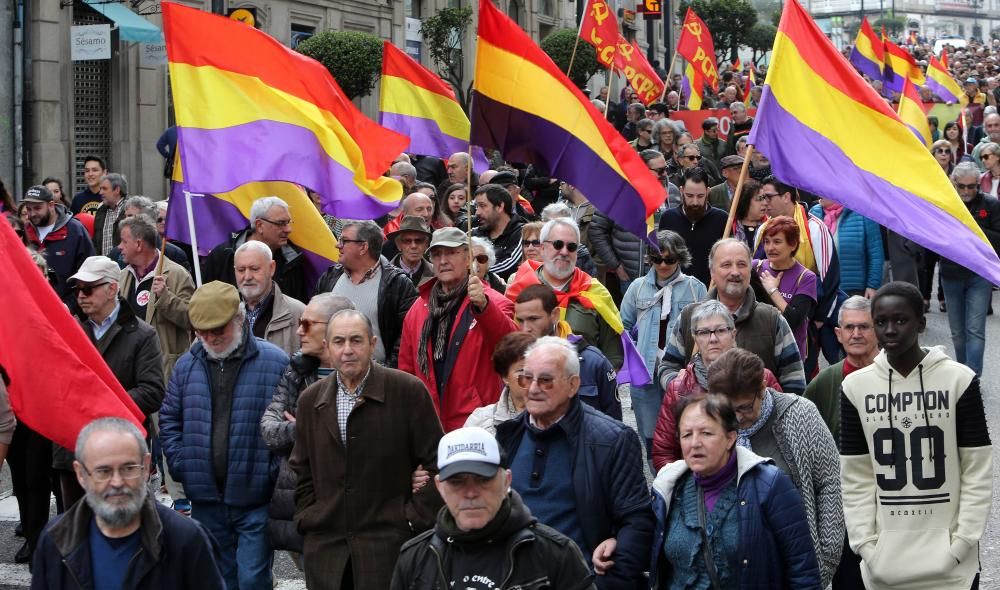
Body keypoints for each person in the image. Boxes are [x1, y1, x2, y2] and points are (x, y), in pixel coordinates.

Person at [841, 282, 993, 590]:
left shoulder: (960, 381)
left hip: (953, 569)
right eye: (881, 322)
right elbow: (856, 474)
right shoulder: (855, 387)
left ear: (921, 323)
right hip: (886, 566)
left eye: (901, 320)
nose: (890, 330)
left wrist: (962, 542)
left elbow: (976, 469)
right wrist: (867, 546)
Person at [289, 309, 445, 590]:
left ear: (373, 344)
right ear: (327, 347)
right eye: (339, 341)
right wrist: (309, 518)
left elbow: (439, 464)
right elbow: (302, 469)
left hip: (388, 551)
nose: (347, 350)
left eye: (356, 340)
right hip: (327, 552)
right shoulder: (310, 400)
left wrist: (411, 520)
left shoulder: (407, 391)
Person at [160, 281, 289, 590]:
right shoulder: (186, 366)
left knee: (252, 580)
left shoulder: (275, 363)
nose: (210, 338)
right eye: (202, 331)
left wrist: (270, 474)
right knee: (218, 580)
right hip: (205, 497)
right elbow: (170, 419)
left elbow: (289, 427)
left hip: (254, 497)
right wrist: (183, 465)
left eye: (218, 329)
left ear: (240, 319)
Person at [496, 337, 653, 589]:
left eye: (545, 380)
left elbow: (637, 524)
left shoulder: (613, 440)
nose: (533, 388)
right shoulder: (507, 435)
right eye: (526, 378)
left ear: (573, 385)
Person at [649, 394, 822, 589]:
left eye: (706, 433)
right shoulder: (668, 487)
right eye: (686, 434)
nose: (695, 443)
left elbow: (803, 570)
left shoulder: (770, 485)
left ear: (730, 438)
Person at [31, 418, 226, 589]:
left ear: (146, 467)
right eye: (103, 471)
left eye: (128, 468)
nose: (117, 482)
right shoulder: (55, 540)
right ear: (81, 474)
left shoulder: (186, 539)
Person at [391, 427, 596, 590]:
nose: (470, 493)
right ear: (439, 487)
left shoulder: (554, 555)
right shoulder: (415, 558)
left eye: (482, 479)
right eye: (457, 482)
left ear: (506, 481)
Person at [707, 348, 844, 586]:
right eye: (730, 410)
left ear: (762, 388)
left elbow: (830, 482)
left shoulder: (800, 413)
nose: (737, 418)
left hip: (800, 566)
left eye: (745, 408)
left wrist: (827, 555)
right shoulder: (711, 425)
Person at [56, 256, 165, 510]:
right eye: (77, 289)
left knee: (123, 527)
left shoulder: (142, 335)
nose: (80, 295)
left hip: (121, 452)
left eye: (88, 288)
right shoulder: (71, 332)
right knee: (76, 533)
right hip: (75, 450)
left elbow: (153, 392)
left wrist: (101, 405)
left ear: (112, 289)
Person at [260, 294, 355, 557]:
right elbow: (269, 431)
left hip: (345, 502)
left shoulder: (360, 374)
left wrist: (307, 425)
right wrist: (303, 428)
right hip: (299, 498)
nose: (299, 330)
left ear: (334, 327)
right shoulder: (297, 370)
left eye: (308, 324)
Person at [398, 227, 518, 431]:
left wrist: (484, 308)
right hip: (429, 422)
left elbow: (511, 349)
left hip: (477, 423)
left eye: (451, 252)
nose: (443, 260)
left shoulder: (494, 302)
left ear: (468, 257)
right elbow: (407, 369)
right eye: (437, 254)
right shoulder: (418, 308)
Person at [658, 238, 806, 394]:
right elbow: (667, 367)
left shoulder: (771, 320)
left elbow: (795, 381)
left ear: (750, 271)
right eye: (726, 265)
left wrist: (766, 406)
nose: (735, 272)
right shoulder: (689, 317)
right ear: (712, 273)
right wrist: (678, 385)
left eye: (741, 265)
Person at [651, 300, 784, 471]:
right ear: (695, 337)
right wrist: (687, 486)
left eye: (720, 330)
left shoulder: (761, 377)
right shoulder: (678, 389)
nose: (713, 339)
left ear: (733, 334)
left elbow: (783, 433)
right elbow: (663, 451)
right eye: (704, 332)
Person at [620, 230, 706, 456]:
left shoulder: (695, 288)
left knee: (684, 430)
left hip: (681, 373)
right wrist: (633, 358)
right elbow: (623, 326)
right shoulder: (637, 287)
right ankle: (659, 481)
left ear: (680, 258)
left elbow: (704, 328)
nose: (663, 265)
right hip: (645, 374)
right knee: (650, 435)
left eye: (669, 259)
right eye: (657, 259)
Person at [507, 218, 625, 369]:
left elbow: (613, 358)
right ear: (542, 248)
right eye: (557, 244)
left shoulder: (596, 292)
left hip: (584, 387)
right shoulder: (519, 287)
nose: (564, 252)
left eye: (571, 247)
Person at [315, 220, 418, 367]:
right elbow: (315, 323)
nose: (337, 245)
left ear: (363, 247)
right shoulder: (329, 277)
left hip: (377, 380)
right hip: (331, 376)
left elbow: (407, 335)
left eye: (344, 241)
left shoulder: (398, 283)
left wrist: (387, 372)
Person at [513, 284, 621, 419]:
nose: (526, 329)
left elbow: (614, 426)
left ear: (555, 315)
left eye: (533, 319)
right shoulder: (515, 363)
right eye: (520, 321)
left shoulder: (593, 361)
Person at [940, 162, 1000, 376]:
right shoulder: (945, 204)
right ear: (954, 184)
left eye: (971, 186)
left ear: (978, 185)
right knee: (957, 332)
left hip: (979, 275)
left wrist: (973, 228)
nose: (966, 191)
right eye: (962, 186)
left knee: (975, 329)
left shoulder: (991, 204)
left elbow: (998, 239)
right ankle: (962, 375)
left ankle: (972, 377)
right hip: (950, 273)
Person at [117, 215, 194, 380]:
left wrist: (166, 298)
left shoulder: (176, 274)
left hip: (164, 372)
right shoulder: (122, 276)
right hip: (130, 370)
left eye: (124, 241)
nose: (119, 247)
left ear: (138, 244)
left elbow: (192, 319)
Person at [203, 196, 308, 303]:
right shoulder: (222, 256)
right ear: (259, 225)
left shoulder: (292, 259)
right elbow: (206, 302)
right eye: (281, 223)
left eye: (288, 222)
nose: (288, 229)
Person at [755, 216, 818, 364]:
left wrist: (772, 291)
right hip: (759, 352)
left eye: (777, 242)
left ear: (793, 244)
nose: (770, 248)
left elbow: (793, 319)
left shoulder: (806, 277)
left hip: (790, 355)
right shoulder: (755, 268)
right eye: (766, 242)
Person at [20, 184, 95, 304]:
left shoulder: (75, 230)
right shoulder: (23, 232)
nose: (32, 214)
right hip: (32, 309)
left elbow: (89, 273)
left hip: (68, 310)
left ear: (51, 205)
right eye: (28, 209)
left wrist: (73, 309)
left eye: (37, 208)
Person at [658, 167, 729, 287]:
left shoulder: (722, 219)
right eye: (690, 196)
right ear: (681, 191)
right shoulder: (668, 218)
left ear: (708, 191)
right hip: (674, 289)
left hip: (710, 290)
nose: (695, 202)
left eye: (700, 196)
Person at [234, 240, 305, 357]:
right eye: (241, 270)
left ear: (272, 268)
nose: (247, 277)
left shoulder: (299, 313)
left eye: (254, 269)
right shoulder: (225, 314)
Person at [809, 198, 884, 298]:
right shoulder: (814, 212)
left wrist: (872, 286)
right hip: (822, 290)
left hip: (854, 290)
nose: (819, 193)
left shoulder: (863, 212)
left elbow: (875, 253)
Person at [464, 332, 535, 434]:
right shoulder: (480, 421)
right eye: (522, 371)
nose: (532, 378)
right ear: (505, 376)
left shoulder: (555, 418)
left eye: (537, 370)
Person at [472, 183, 525, 280]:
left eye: (483, 206)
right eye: (476, 207)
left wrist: (477, 272)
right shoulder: (474, 233)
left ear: (500, 206)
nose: (477, 212)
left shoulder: (522, 232)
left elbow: (510, 265)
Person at [386, 215, 435, 287]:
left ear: (426, 244)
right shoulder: (384, 274)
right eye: (407, 241)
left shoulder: (436, 274)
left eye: (419, 241)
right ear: (399, 245)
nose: (413, 246)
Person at [92, 173, 129, 257]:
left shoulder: (130, 210)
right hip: (103, 266)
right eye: (100, 189)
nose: (100, 192)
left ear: (117, 190)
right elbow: (96, 243)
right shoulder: (100, 211)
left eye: (104, 189)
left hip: (123, 265)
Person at [729, 178, 768, 252]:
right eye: (759, 199)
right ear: (745, 202)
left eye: (765, 198)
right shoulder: (729, 226)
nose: (765, 203)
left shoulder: (770, 226)